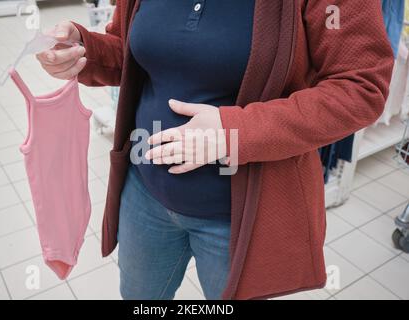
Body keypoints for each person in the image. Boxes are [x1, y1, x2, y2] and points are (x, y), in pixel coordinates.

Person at [37, 0, 394, 300]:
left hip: (238, 218)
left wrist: (233, 132)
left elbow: (361, 87)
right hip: (144, 196)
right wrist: (84, 51)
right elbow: (131, 47)